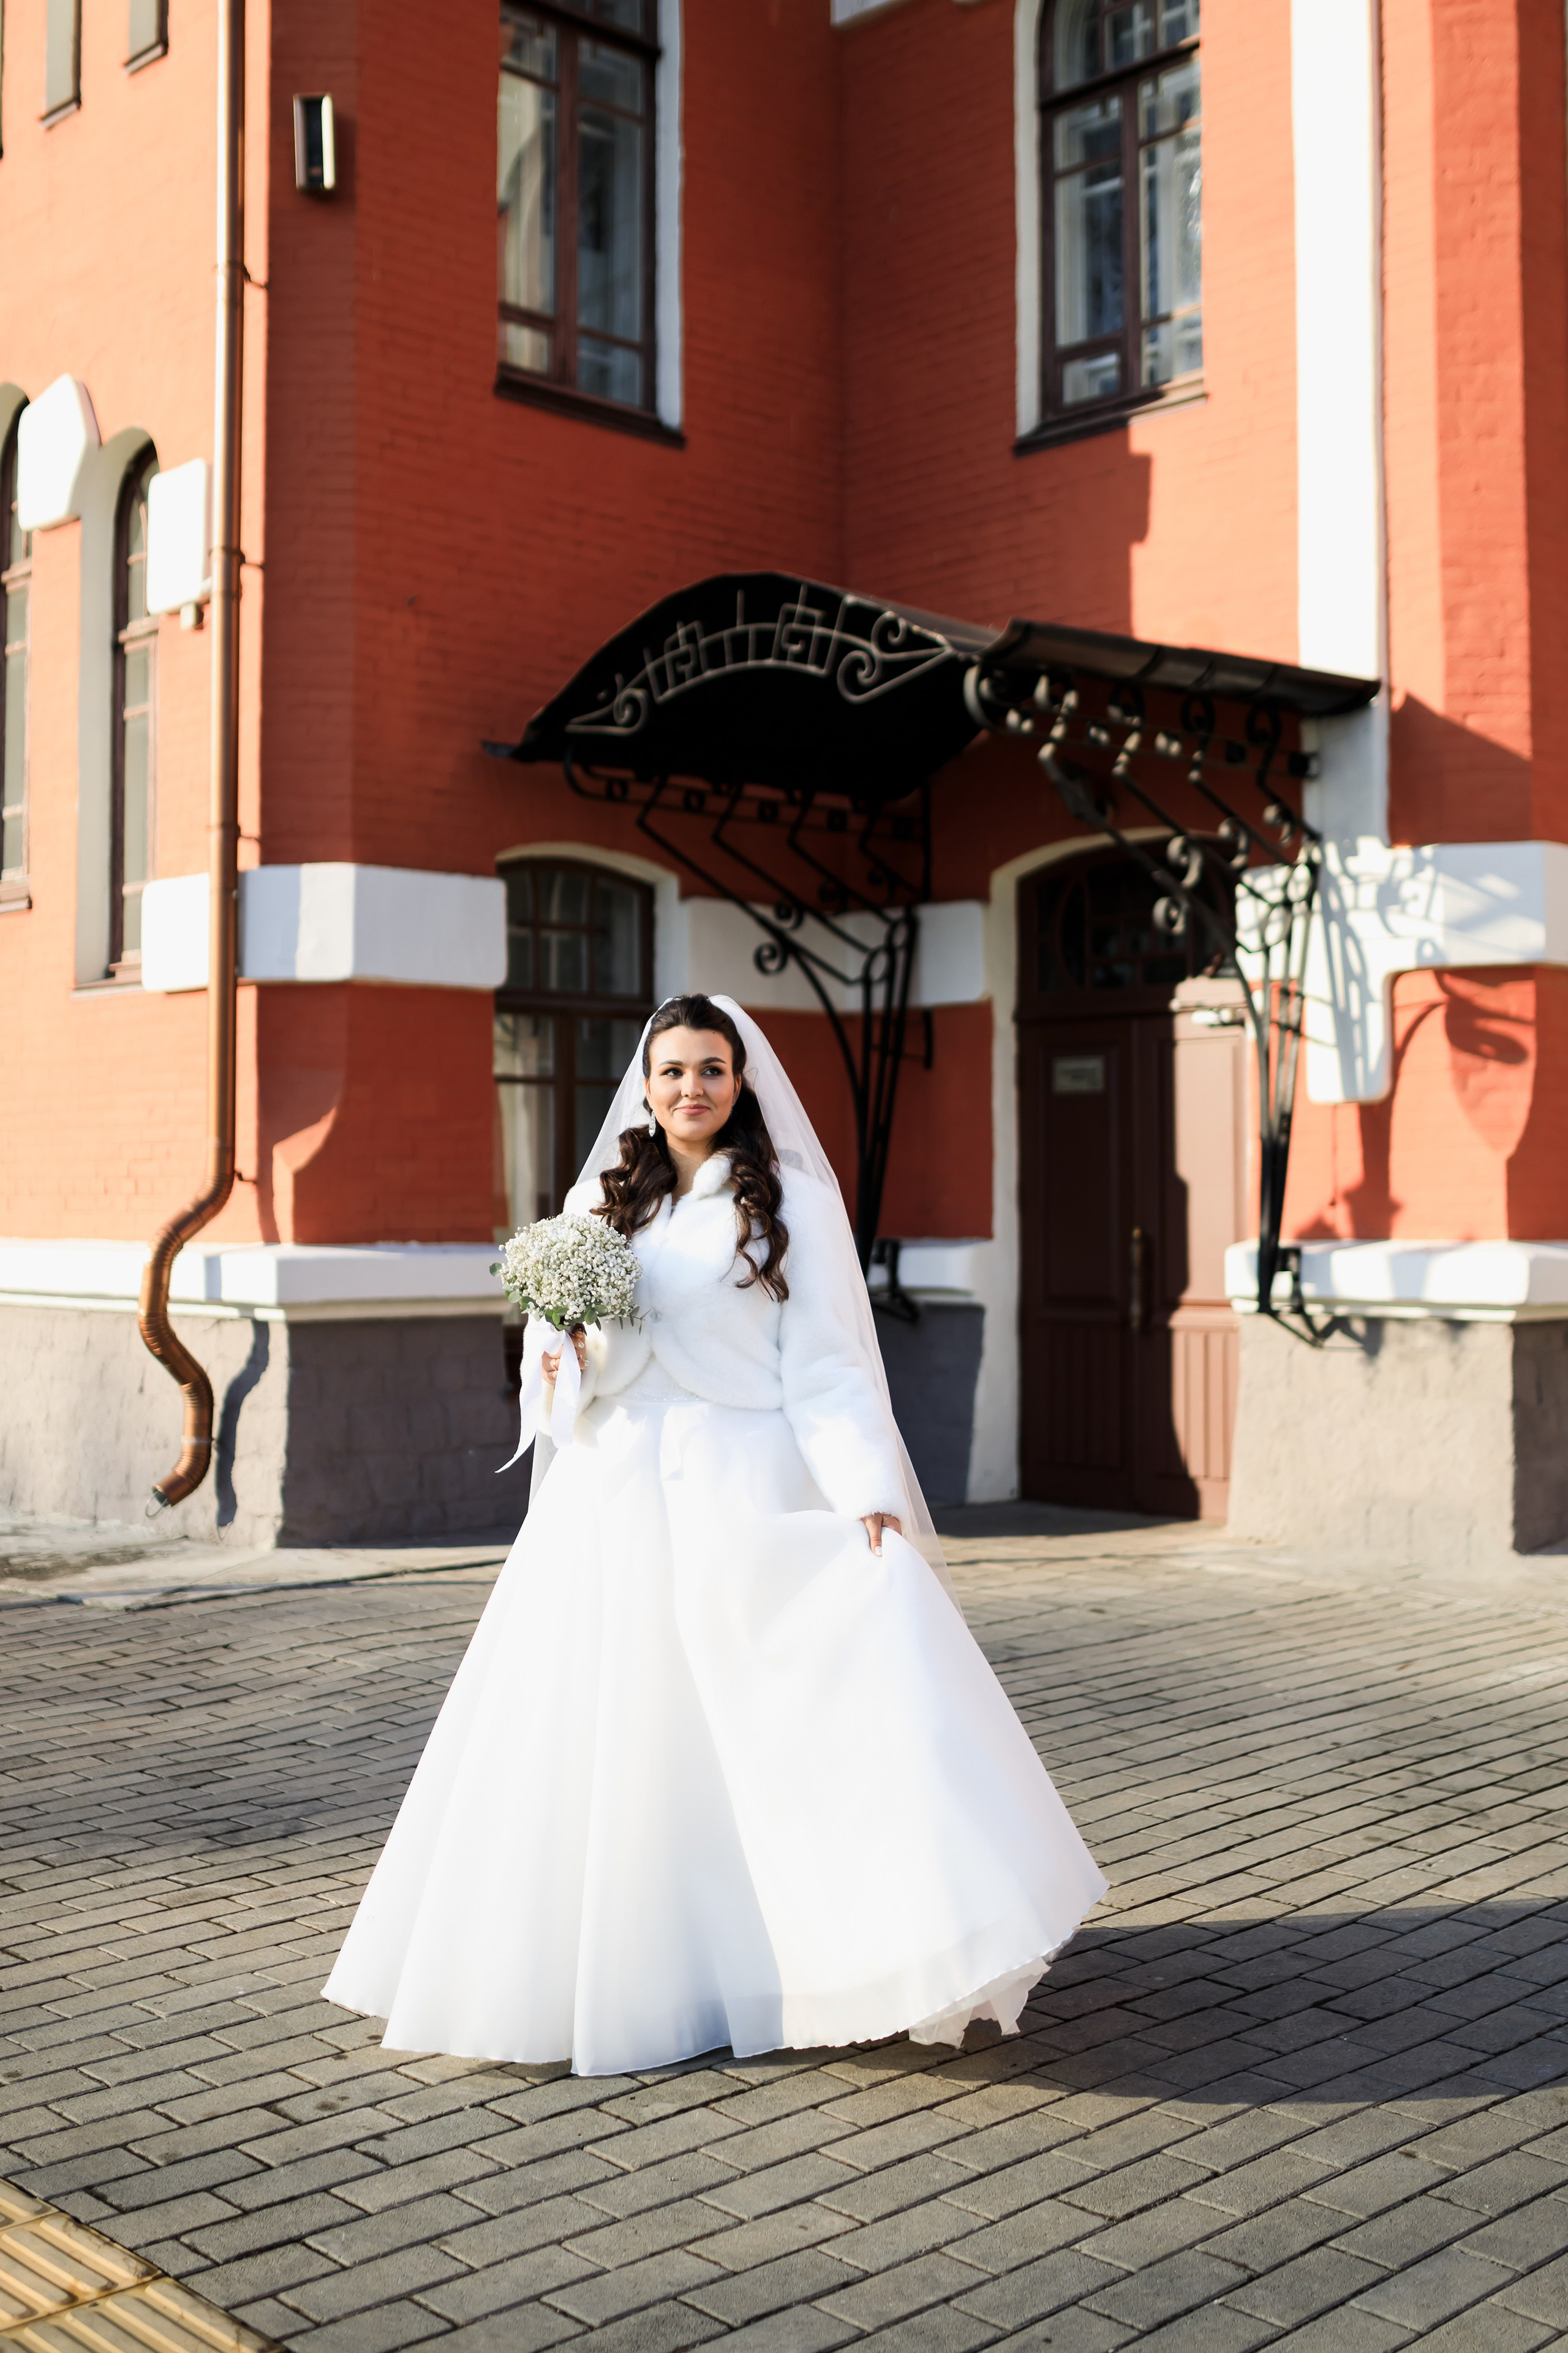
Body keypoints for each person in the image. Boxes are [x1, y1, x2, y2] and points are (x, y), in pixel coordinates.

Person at [323, 992, 1106, 2074]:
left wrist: (866, 1489)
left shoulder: (790, 1205)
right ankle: (626, 1975)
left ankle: (827, 1952)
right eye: (673, 1070)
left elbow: (826, 1365)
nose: (691, 1087)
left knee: (769, 1721)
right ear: (645, 1086)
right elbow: (555, 1359)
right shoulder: (602, 1203)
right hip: (610, 1495)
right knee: (607, 1736)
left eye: (711, 1069)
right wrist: (565, 1357)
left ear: (741, 1083)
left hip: (742, 1482)